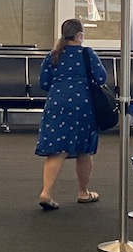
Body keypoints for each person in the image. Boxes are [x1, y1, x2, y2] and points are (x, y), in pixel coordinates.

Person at [34, 17, 106, 211]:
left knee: (57, 149)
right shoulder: (86, 53)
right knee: (84, 149)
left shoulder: (53, 55)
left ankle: (46, 192)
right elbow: (101, 77)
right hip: (82, 104)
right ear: (80, 35)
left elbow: (44, 83)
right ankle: (83, 192)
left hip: (56, 104)